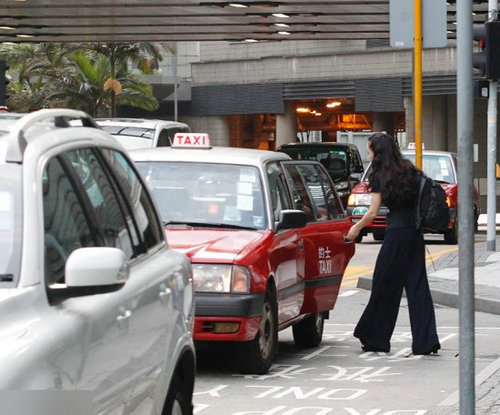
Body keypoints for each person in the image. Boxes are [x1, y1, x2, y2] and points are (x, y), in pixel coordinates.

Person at [346, 133, 440, 355]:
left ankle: (376, 338)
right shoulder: (409, 169)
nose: (368, 155)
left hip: (396, 235)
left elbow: (372, 213)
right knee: (417, 287)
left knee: (384, 284)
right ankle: (426, 342)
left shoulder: (381, 176)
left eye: (369, 150)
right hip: (415, 234)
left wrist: (356, 228)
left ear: (378, 153)